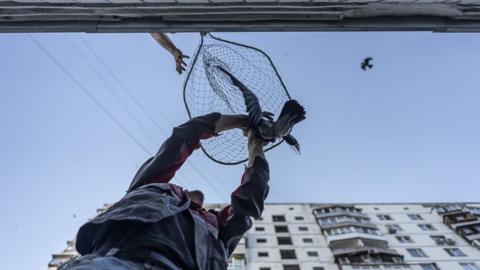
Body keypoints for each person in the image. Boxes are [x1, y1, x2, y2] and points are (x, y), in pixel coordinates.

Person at [59, 112, 270, 270]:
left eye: (199, 201)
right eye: (189, 194)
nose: (194, 199)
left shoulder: (218, 230)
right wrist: (243, 121)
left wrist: (256, 141)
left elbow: (252, 195)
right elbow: (186, 135)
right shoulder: (149, 187)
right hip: (114, 261)